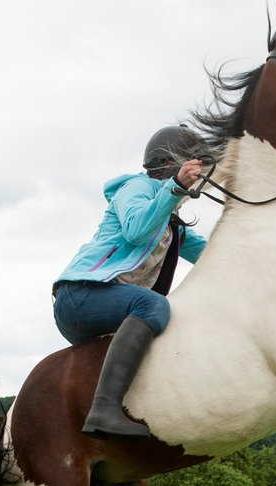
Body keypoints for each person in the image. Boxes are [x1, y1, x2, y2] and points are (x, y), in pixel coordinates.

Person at [52, 124, 210, 440]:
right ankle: (105, 409)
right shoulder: (134, 189)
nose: (200, 179)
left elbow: (214, 255)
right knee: (153, 305)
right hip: (79, 296)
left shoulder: (171, 224)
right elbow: (136, 230)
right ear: (171, 164)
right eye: (194, 168)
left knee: (160, 315)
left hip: (108, 305)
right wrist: (176, 187)